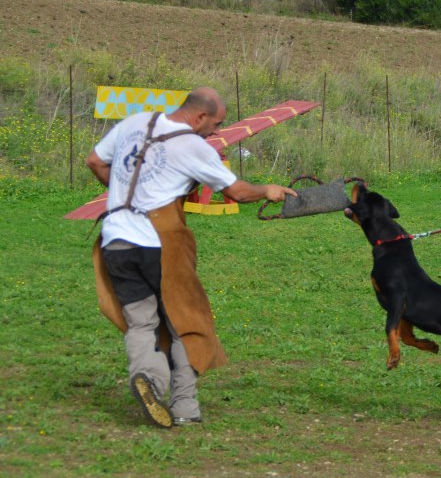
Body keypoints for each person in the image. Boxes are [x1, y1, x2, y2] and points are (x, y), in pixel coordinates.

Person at [85, 87, 297, 428]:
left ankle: (147, 378)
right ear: (200, 117)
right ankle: (184, 406)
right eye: (216, 124)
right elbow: (237, 191)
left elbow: (95, 161)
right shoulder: (192, 146)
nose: (216, 131)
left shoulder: (136, 122)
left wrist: (125, 196)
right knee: (187, 322)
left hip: (116, 241)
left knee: (141, 322)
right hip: (159, 245)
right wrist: (268, 190)